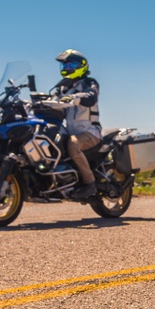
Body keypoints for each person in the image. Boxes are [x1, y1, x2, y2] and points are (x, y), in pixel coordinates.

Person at [51, 49, 101, 199]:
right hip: (71, 133)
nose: (67, 69)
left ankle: (90, 183)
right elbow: (52, 99)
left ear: (82, 66)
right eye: (65, 66)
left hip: (90, 133)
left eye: (70, 65)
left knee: (73, 144)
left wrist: (75, 97)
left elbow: (91, 97)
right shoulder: (63, 87)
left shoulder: (89, 83)